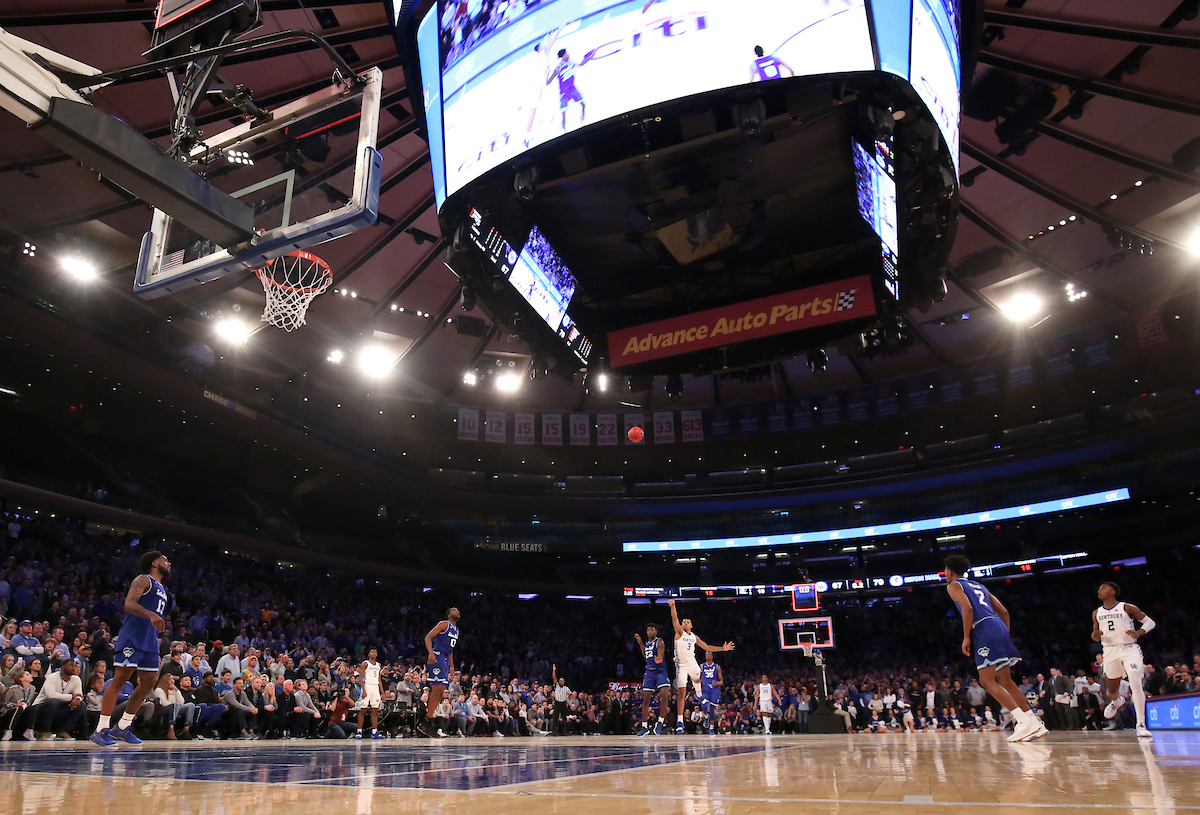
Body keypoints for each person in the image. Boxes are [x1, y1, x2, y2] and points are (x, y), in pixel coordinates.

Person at [943, 554, 1047, 743]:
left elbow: (967, 609)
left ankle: (1023, 721)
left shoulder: (953, 586)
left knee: (986, 680)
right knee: (1005, 680)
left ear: (949, 571)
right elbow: (1004, 611)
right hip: (998, 625)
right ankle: (1034, 721)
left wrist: (966, 637)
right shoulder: (980, 586)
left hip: (983, 627)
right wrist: (1003, 633)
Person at [91, 550, 170, 747]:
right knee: (120, 679)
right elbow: (129, 604)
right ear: (154, 563)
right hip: (132, 637)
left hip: (150, 641)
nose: (168, 563)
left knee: (149, 682)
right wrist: (150, 615)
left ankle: (123, 726)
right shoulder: (144, 580)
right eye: (165, 559)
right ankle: (101, 728)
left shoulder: (162, 588)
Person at [1092, 581, 1155, 738]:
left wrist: (1139, 632)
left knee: (1135, 679)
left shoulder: (1127, 607)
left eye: (1103, 588)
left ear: (1113, 591)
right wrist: (1095, 635)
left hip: (1129, 649)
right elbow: (1094, 635)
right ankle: (1117, 701)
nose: (1099, 590)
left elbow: (1150, 622)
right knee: (1111, 691)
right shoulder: (1096, 612)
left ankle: (1141, 724)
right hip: (1110, 651)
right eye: (1099, 588)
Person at [666, 599, 735, 735]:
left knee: (698, 676)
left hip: (692, 662)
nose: (684, 622)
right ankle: (680, 722)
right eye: (683, 621)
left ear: (691, 625)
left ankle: (698, 695)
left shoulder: (694, 637)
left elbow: (707, 647)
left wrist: (723, 648)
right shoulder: (679, 632)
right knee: (682, 693)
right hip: (681, 665)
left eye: (687, 621)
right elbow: (674, 618)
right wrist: (673, 606)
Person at [418, 607, 460, 738]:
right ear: (449, 615)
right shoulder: (444, 624)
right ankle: (427, 721)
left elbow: (450, 649)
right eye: (454, 610)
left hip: (445, 659)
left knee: (441, 692)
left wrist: (452, 666)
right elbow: (428, 637)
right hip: (437, 656)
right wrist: (430, 653)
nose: (457, 611)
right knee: (436, 690)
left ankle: (428, 722)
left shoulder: (456, 629)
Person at [634, 623, 670, 737]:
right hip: (649, 672)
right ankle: (644, 727)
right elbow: (646, 655)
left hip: (660, 671)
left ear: (656, 632)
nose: (650, 632)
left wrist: (659, 658)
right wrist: (640, 643)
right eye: (648, 630)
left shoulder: (659, 641)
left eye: (652, 630)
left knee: (665, 694)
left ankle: (660, 722)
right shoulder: (647, 643)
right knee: (646, 699)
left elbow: (661, 652)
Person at [545, 47, 584, 130]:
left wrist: (591, 55)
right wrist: (547, 73)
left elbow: (581, 64)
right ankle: (563, 128)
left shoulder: (571, 63)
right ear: (563, 56)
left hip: (573, 89)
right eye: (567, 53)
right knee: (563, 114)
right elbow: (548, 82)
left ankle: (583, 120)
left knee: (583, 105)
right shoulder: (558, 69)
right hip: (564, 93)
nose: (568, 54)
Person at [356, 648, 384, 739]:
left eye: (375, 652)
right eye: (371, 651)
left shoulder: (378, 665)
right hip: (367, 686)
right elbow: (361, 678)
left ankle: (374, 732)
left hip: (375, 687)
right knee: (363, 710)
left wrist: (382, 693)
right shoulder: (365, 663)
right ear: (369, 654)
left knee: (375, 710)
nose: (373, 653)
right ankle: (359, 731)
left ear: (377, 655)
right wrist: (363, 690)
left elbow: (379, 680)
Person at [698, 651, 724, 735]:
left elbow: (721, 681)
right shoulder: (701, 666)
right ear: (705, 656)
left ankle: (711, 728)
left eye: (709, 654)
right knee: (704, 705)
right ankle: (705, 717)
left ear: (712, 656)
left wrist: (717, 683)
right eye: (706, 654)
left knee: (712, 709)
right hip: (705, 689)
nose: (708, 655)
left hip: (714, 690)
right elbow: (698, 679)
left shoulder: (717, 667)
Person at [551, 664, 571, 736]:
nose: (561, 682)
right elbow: (554, 678)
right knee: (555, 718)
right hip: (557, 703)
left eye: (562, 681)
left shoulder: (566, 688)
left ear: (564, 682)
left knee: (564, 719)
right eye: (560, 681)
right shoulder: (557, 686)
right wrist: (554, 670)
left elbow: (570, 694)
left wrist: (569, 696)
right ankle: (554, 732)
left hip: (563, 703)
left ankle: (564, 732)